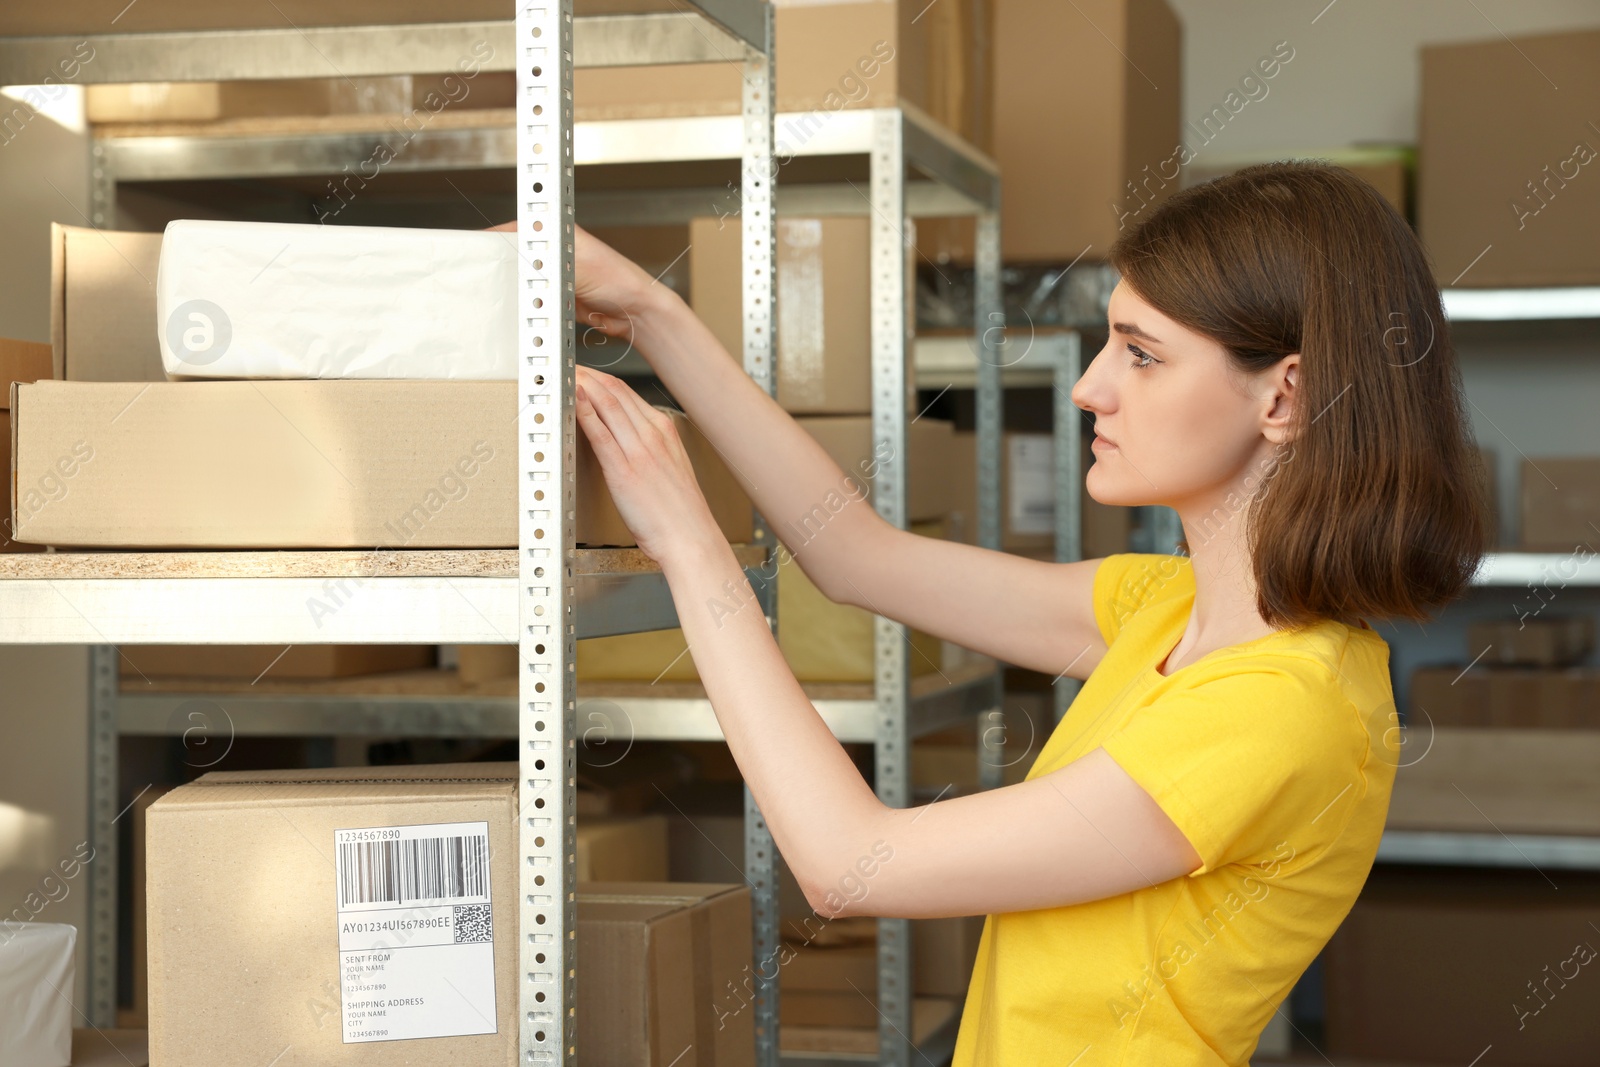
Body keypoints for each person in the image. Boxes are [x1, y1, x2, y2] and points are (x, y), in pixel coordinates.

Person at [543, 161, 1489, 1065]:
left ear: (1283, 395)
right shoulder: (1169, 608)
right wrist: (652, 314)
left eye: (1143, 355)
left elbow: (850, 861)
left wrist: (689, 543)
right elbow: (854, 554)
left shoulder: (1280, 705)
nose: (1090, 387)